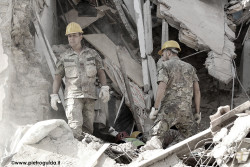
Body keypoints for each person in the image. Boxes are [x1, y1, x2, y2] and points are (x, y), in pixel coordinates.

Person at [50, 22, 110, 140]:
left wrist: (105, 87)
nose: (71, 38)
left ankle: (88, 152)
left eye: (74, 35)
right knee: (75, 127)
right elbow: (58, 76)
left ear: (81, 36)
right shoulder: (64, 56)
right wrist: (54, 94)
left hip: (89, 96)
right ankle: (77, 153)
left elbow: (100, 71)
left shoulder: (92, 54)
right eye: (69, 36)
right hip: (73, 96)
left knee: (88, 129)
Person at [148, 40, 201, 149]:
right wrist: (197, 112)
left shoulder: (165, 66)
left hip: (169, 110)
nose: (162, 57)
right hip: (186, 111)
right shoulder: (190, 68)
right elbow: (197, 91)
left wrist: (155, 108)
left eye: (163, 54)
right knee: (193, 140)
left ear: (168, 52)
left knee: (154, 137)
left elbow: (161, 87)